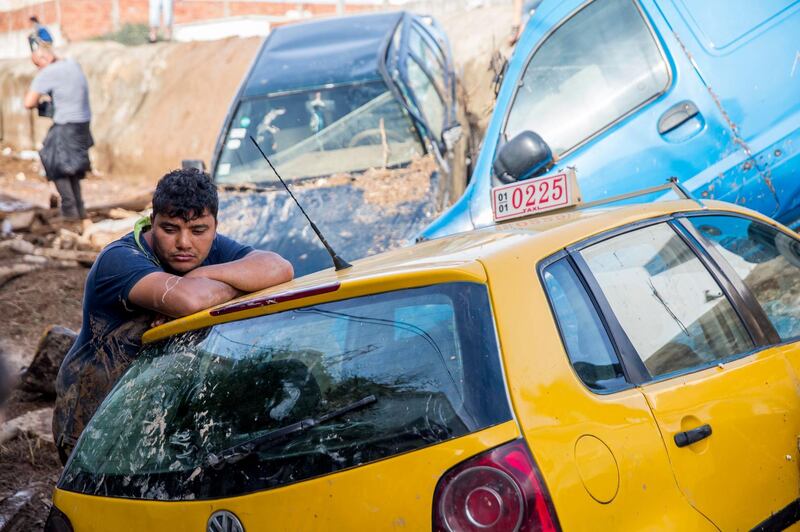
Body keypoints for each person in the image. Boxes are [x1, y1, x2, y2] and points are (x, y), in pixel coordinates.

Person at [52, 168, 294, 463]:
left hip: (157, 404)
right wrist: (231, 286)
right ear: (152, 223)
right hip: (95, 413)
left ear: (215, 227)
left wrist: (201, 274)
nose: (184, 243)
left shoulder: (204, 249)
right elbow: (191, 300)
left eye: (198, 231)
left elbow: (280, 268)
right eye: (170, 229)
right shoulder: (119, 260)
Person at [24, 41, 93, 229]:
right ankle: (79, 209)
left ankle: (70, 213)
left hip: (66, 124)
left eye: (37, 64)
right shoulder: (72, 64)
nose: (37, 69)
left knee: (53, 162)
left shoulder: (48, 73)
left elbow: (28, 102)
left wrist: (42, 99)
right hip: (83, 124)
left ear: (44, 59)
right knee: (73, 168)